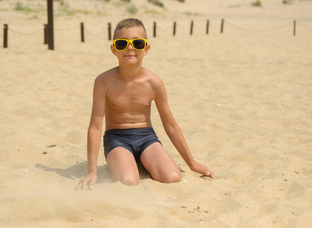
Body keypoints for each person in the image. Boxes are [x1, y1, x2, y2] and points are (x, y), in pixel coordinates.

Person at [78, 18, 214, 189]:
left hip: (147, 138)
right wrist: (92, 171)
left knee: (172, 177)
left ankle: (141, 159)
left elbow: (170, 125)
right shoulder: (103, 81)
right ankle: (127, 160)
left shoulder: (154, 82)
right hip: (117, 139)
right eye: (122, 44)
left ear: (146, 48)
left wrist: (192, 163)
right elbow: (95, 127)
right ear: (113, 49)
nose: (130, 48)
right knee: (128, 181)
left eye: (137, 43)